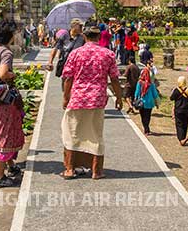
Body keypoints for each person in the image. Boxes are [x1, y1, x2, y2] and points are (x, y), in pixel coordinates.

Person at [61, 23, 123, 180]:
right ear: (99, 36)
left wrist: (65, 97)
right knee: (95, 133)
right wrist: (119, 97)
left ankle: (69, 169)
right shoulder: (108, 54)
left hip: (77, 98)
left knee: (72, 132)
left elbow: (68, 78)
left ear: (84, 36)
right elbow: (114, 79)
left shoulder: (76, 54)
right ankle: (96, 171)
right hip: (97, 99)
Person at [0, 20, 25, 188]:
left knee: (4, 130)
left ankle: (11, 166)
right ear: (11, 36)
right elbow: (3, 74)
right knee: (5, 132)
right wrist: (12, 75)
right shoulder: (7, 53)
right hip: (5, 99)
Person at [134, 62, 159, 135]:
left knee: (142, 116)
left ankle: (145, 128)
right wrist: (157, 103)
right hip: (150, 102)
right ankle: (147, 128)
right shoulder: (151, 84)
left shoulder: (140, 83)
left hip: (142, 102)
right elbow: (155, 94)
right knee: (148, 116)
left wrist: (135, 99)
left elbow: (137, 92)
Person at [170, 76, 188, 142]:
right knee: (185, 123)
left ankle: (180, 138)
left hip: (178, 109)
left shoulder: (176, 90)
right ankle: (183, 137)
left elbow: (171, 98)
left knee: (179, 124)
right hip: (186, 109)